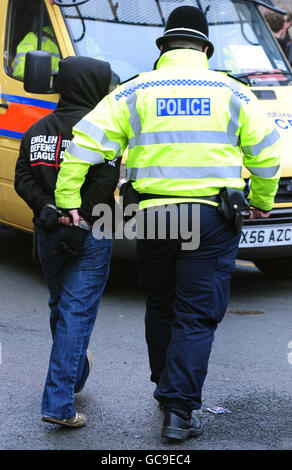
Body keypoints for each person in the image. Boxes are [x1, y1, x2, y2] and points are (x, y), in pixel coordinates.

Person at [54, 6, 281, 440]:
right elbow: (268, 155)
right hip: (211, 217)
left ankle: (165, 387)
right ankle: (178, 411)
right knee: (196, 313)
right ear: (206, 47)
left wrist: (68, 199)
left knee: (160, 303)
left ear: (163, 46)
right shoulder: (233, 92)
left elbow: (83, 144)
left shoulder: (132, 91)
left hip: (154, 215)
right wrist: (260, 200)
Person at [14, 56, 121, 428]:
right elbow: (105, 182)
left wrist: (47, 208)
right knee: (75, 312)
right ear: (93, 87)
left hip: (47, 231)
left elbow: (23, 176)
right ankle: (59, 404)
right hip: (91, 231)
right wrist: (82, 217)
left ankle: (73, 374)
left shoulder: (37, 129)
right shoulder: (101, 131)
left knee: (61, 305)